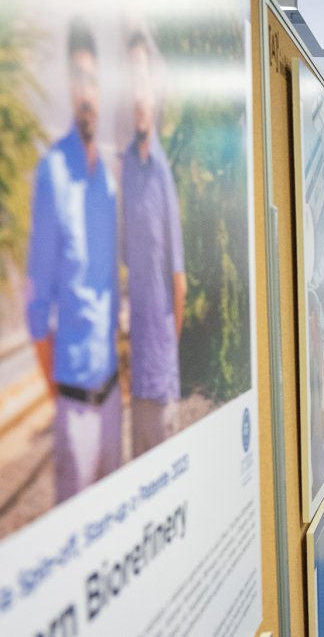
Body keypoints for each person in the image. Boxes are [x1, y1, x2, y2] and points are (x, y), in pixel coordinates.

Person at [26, 18, 121, 503]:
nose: (87, 93)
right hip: (76, 410)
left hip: (112, 405)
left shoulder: (106, 181)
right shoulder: (52, 174)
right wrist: (61, 394)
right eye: (79, 79)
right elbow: (37, 305)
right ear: (69, 85)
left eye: (94, 81)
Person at [121, 30, 186, 458]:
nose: (138, 96)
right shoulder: (127, 163)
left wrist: (165, 357)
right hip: (135, 373)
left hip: (159, 378)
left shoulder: (160, 172)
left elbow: (178, 283)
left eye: (144, 82)